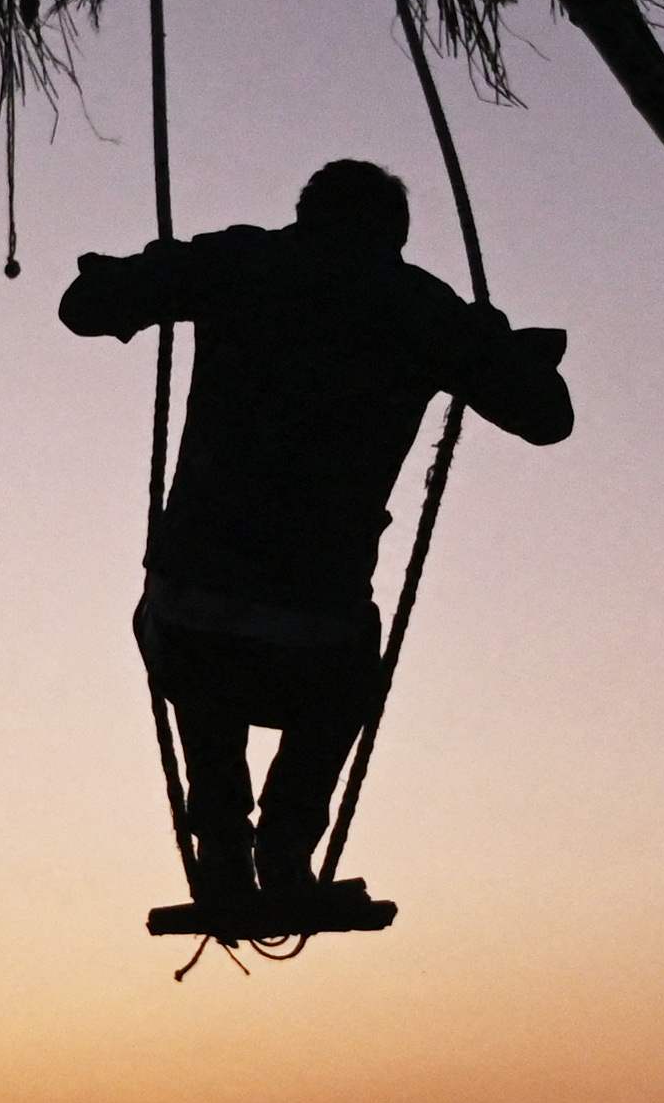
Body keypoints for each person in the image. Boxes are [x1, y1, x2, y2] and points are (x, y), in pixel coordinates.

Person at [59, 160, 572, 922]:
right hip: (318, 631)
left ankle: (225, 848)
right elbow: (548, 417)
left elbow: (83, 306)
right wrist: (489, 341)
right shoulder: (419, 306)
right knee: (345, 656)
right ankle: (286, 849)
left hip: (194, 611)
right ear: (393, 239)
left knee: (192, 637)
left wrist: (164, 269)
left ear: (303, 215)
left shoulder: (240, 262)